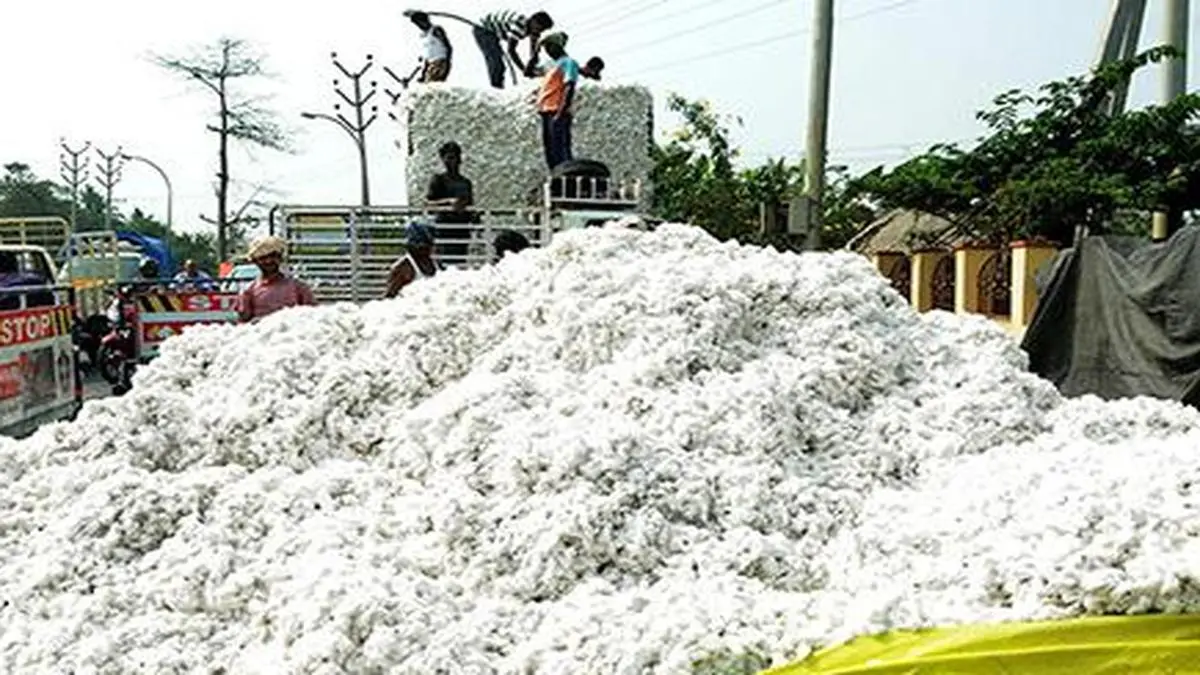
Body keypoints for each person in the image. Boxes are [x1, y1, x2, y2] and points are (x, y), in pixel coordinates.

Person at [237, 235, 315, 323]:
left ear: (280, 258)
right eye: (263, 257)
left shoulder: (299, 288)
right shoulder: (249, 291)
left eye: (273, 256)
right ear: (255, 261)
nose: (269, 261)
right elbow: (243, 323)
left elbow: (313, 317)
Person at [475, 10, 554, 89]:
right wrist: (523, 69)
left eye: (543, 30)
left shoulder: (533, 29)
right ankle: (496, 87)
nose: (539, 32)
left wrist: (532, 65)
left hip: (495, 31)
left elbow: (533, 50)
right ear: (533, 22)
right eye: (539, 28)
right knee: (496, 62)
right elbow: (511, 50)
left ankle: (497, 85)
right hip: (483, 30)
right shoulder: (519, 26)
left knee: (499, 61)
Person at [426, 141, 476, 264]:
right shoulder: (438, 180)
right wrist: (449, 203)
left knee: (459, 265)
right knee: (445, 266)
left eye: (455, 157)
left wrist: (473, 214)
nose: (452, 161)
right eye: (449, 158)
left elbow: (470, 205)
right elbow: (428, 204)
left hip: (461, 230)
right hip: (444, 231)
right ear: (443, 160)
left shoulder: (466, 182)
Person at [536, 32, 579, 170]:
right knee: (550, 151)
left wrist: (560, 112)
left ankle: (567, 180)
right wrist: (534, 52)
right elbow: (528, 71)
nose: (547, 51)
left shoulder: (569, 63)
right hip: (546, 111)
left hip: (557, 110)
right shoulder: (551, 66)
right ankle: (556, 178)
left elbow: (569, 87)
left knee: (560, 150)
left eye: (548, 47)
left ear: (556, 46)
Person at [385, 222, 441, 298]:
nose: (427, 250)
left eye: (429, 246)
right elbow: (389, 298)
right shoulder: (402, 268)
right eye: (422, 247)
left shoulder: (435, 264)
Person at [401, 10, 453, 84]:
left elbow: (448, 47)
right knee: (426, 85)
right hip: (430, 64)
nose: (420, 26)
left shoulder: (436, 30)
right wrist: (423, 74)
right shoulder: (423, 36)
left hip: (440, 62)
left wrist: (447, 63)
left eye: (421, 23)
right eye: (418, 24)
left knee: (433, 84)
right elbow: (427, 55)